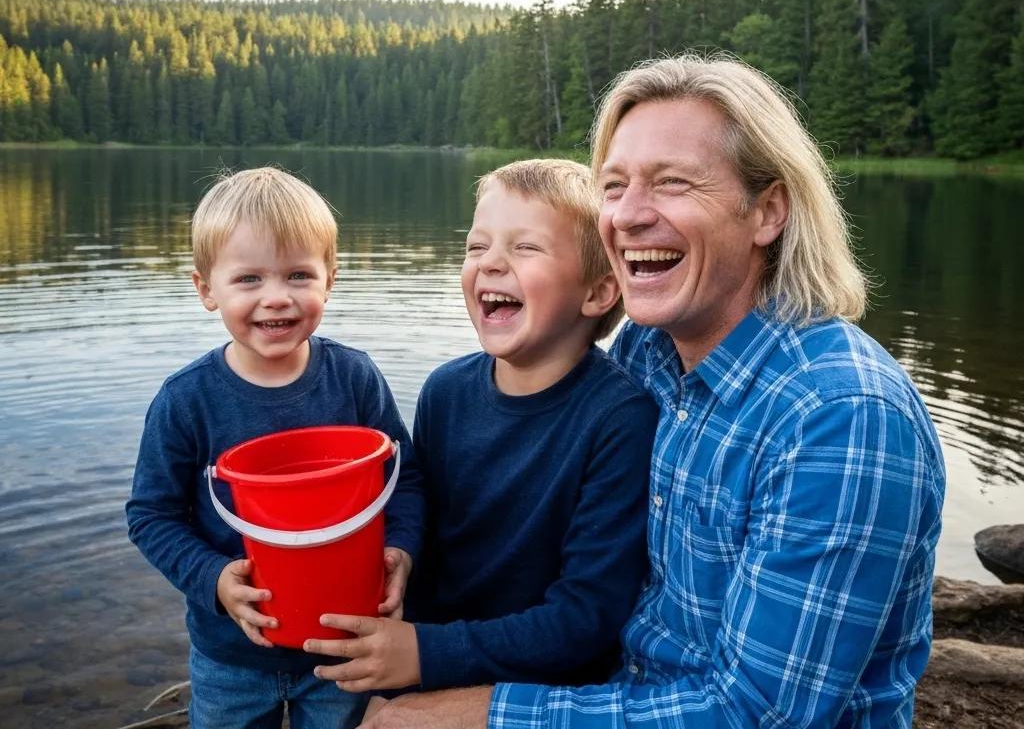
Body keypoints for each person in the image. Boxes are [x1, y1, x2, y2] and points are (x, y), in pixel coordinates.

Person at [358, 55, 946, 729]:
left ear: (768, 211)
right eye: (613, 185)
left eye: (671, 183)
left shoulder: (840, 417)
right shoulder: (648, 350)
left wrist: (475, 713)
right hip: (619, 689)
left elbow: (756, 716)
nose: (628, 216)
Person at [303, 159, 657, 704]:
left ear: (598, 292)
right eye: (476, 247)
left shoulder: (619, 418)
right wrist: (400, 566)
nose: (489, 264)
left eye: (525, 248)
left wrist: (421, 653)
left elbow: (587, 617)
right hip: (436, 656)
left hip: (541, 690)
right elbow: (432, 537)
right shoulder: (445, 391)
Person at [125, 166, 423, 729]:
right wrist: (213, 577)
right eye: (249, 280)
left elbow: (402, 479)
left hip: (342, 645)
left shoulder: (354, 379)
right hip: (230, 656)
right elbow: (152, 515)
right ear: (206, 289)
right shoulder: (187, 401)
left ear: (329, 279)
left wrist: (403, 550)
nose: (276, 298)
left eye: (298, 275)